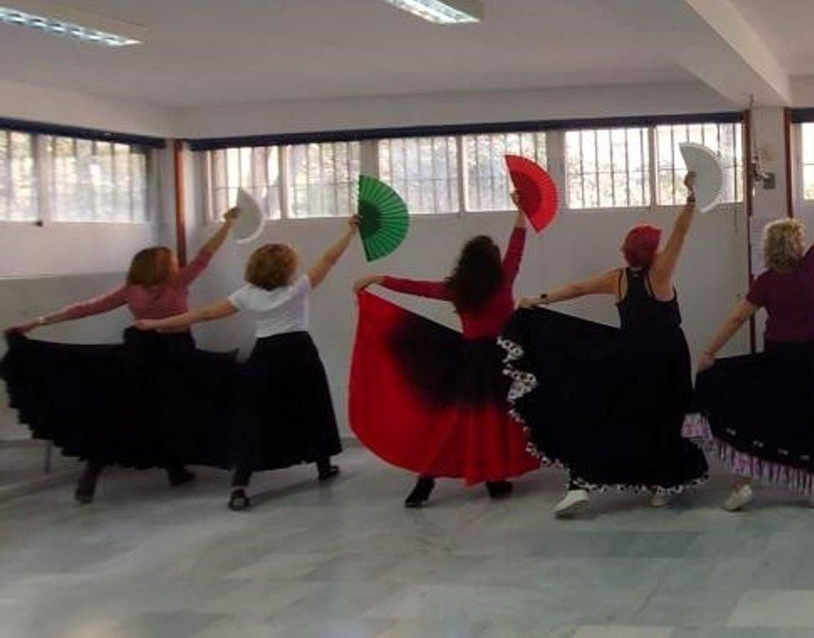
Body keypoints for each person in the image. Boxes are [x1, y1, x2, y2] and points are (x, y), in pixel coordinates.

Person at [501, 173, 708, 517]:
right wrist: (690, 199)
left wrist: (538, 299)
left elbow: (578, 288)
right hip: (667, 356)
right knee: (665, 418)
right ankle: (660, 485)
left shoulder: (618, 278)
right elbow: (681, 234)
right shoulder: (660, 274)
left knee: (623, 417)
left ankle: (584, 481)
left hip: (632, 355)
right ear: (653, 251)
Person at [3, 211, 243, 504]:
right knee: (174, 410)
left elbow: (85, 308)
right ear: (165, 269)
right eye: (172, 263)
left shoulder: (132, 290)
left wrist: (36, 322)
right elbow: (207, 254)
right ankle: (175, 468)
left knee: (124, 413)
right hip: (174, 354)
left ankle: (100, 474)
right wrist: (229, 224)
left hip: (138, 354)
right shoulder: (177, 283)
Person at [135, 218, 359, 511]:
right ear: (287, 269)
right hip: (299, 353)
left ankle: (240, 485)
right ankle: (323, 466)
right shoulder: (299, 288)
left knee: (256, 418)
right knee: (310, 408)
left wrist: (155, 323)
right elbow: (329, 258)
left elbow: (203, 314)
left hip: (266, 357)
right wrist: (350, 232)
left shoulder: (247, 295)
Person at [350, 200, 541, 507]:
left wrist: (379, 278)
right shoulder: (503, 281)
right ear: (493, 263)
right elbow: (517, 247)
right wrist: (521, 209)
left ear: (465, 264)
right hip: (501, 361)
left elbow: (419, 288)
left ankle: (427, 481)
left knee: (455, 425)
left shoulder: (457, 288)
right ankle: (494, 481)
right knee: (496, 420)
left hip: (468, 361)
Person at [686, 168, 814, 511]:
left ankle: (743, 482)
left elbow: (737, 317)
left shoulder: (765, 281)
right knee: (809, 415)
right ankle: (812, 486)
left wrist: (709, 353)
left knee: (760, 413)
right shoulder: (811, 266)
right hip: (810, 355)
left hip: (777, 356)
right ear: (797, 245)